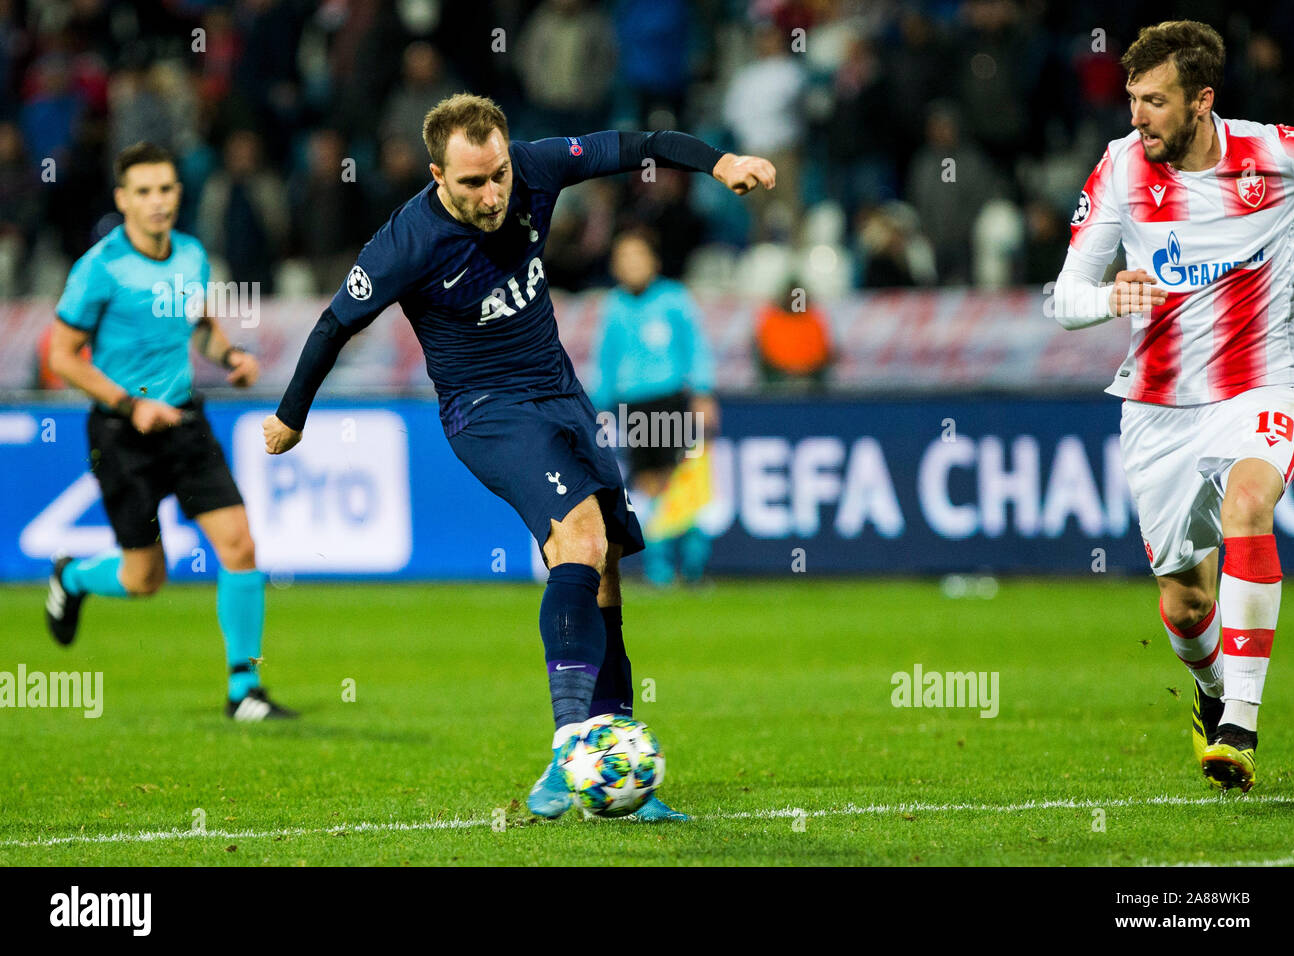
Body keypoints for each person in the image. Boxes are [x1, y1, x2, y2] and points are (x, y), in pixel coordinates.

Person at [262, 93, 774, 820]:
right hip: (486, 410)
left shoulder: (536, 168)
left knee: (605, 578)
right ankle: (573, 746)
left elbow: (636, 144)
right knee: (582, 539)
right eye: (472, 182)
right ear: (438, 175)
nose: (493, 192)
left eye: (498, 174)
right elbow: (332, 324)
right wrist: (291, 416)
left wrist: (720, 161)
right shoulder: (405, 242)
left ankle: (614, 768)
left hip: (561, 395)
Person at [1052, 20, 1294, 791]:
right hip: (1158, 406)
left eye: (1154, 101)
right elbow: (1064, 299)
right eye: (1131, 98)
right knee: (1185, 600)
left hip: (1261, 382)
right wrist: (1109, 296)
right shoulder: (1123, 168)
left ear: (1203, 101)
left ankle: (1240, 726)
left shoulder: (1278, 155)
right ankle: (1211, 689)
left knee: (1250, 509)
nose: (1136, 116)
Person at [44, 141, 295, 722]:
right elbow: (62, 356)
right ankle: (74, 576)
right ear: (123, 199)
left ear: (178, 194)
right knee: (144, 578)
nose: (157, 202)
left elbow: (200, 326)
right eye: (144, 192)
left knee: (239, 545)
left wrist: (229, 354)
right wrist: (131, 407)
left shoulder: (190, 255)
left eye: (166, 189)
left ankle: (243, 691)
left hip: (183, 421)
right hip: (122, 435)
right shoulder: (99, 268)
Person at [589, 227, 718, 586]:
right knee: (647, 483)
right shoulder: (613, 307)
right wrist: (599, 406)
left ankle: (691, 563)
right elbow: (606, 360)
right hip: (633, 404)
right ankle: (662, 567)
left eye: (637, 256)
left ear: (654, 261)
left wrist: (704, 391)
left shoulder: (673, 300)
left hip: (669, 398)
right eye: (623, 259)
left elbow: (696, 347)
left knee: (676, 480)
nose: (630, 265)